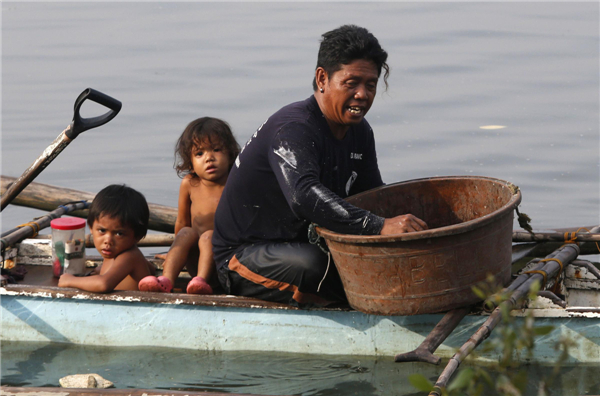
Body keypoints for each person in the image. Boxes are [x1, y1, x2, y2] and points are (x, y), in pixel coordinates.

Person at [211, 24, 428, 308]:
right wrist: (378, 227)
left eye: (370, 84)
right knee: (317, 266)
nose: (362, 94)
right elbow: (304, 197)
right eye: (351, 83)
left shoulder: (361, 133)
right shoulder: (294, 128)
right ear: (322, 78)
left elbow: (372, 198)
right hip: (244, 258)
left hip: (307, 243)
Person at [139, 117, 240, 294]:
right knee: (186, 233)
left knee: (209, 236)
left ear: (230, 153)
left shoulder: (236, 183)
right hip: (196, 260)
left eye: (216, 150)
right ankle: (166, 281)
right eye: (199, 154)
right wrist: (174, 253)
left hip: (225, 261)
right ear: (190, 161)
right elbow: (182, 222)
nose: (209, 158)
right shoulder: (189, 183)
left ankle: (202, 281)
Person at [58, 184, 154, 292]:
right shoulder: (115, 252)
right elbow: (150, 268)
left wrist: (70, 280)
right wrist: (104, 270)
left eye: (119, 234)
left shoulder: (129, 256)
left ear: (138, 236)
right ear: (91, 226)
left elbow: (103, 284)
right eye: (102, 231)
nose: (108, 240)